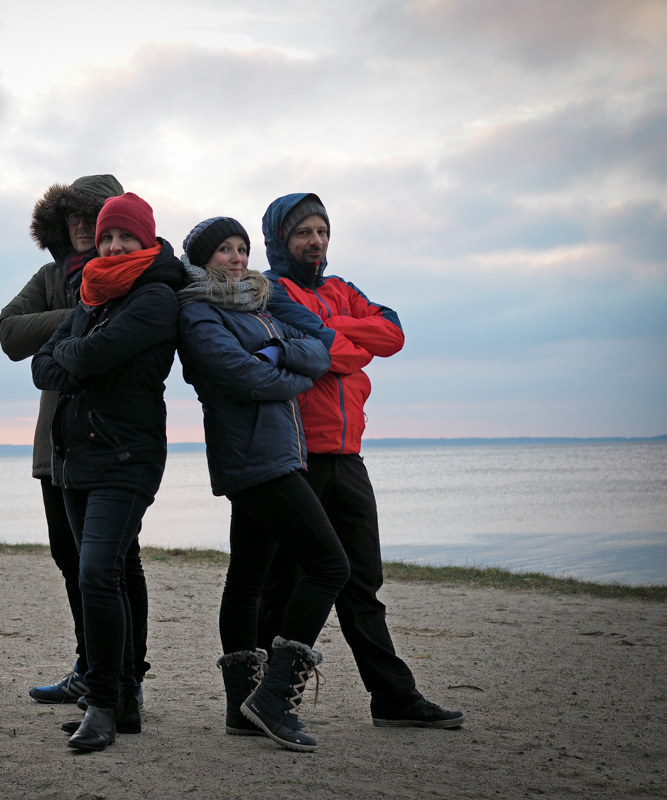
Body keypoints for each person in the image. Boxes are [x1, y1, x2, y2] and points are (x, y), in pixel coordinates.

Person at [258, 192, 465, 729]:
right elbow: (331, 352)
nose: (316, 241)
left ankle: (393, 700)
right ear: (282, 238)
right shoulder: (272, 291)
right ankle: (264, 698)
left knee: (362, 583)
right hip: (295, 458)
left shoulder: (343, 289)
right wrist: (347, 342)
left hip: (348, 459)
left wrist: (336, 335)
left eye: (323, 231)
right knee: (282, 583)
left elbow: (391, 335)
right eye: (303, 231)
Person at [176, 217, 348, 752]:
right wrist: (287, 371)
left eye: (242, 247)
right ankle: (272, 698)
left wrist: (277, 355)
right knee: (329, 566)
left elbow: (319, 351)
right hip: (254, 461)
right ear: (203, 261)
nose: (236, 257)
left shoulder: (260, 305)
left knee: (247, 580)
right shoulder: (196, 313)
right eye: (224, 249)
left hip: (277, 456)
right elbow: (246, 378)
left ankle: (239, 710)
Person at [31, 192, 183, 751]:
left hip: (125, 456)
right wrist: (76, 351)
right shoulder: (90, 295)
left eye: (125, 237)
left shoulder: (155, 297)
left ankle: (100, 704)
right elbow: (41, 366)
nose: (114, 245)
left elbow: (80, 359)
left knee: (97, 574)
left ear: (146, 239)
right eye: (107, 237)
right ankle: (123, 696)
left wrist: (75, 353)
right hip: (75, 459)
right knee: (114, 572)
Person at [0, 175, 150, 705]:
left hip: (112, 445)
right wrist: (81, 311)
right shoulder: (50, 277)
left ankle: (126, 678)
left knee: (114, 564)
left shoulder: (141, 279)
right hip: (55, 447)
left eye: (93, 215)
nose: (83, 227)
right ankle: (90, 666)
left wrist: (88, 317)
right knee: (70, 559)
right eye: (73, 218)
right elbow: (9, 334)